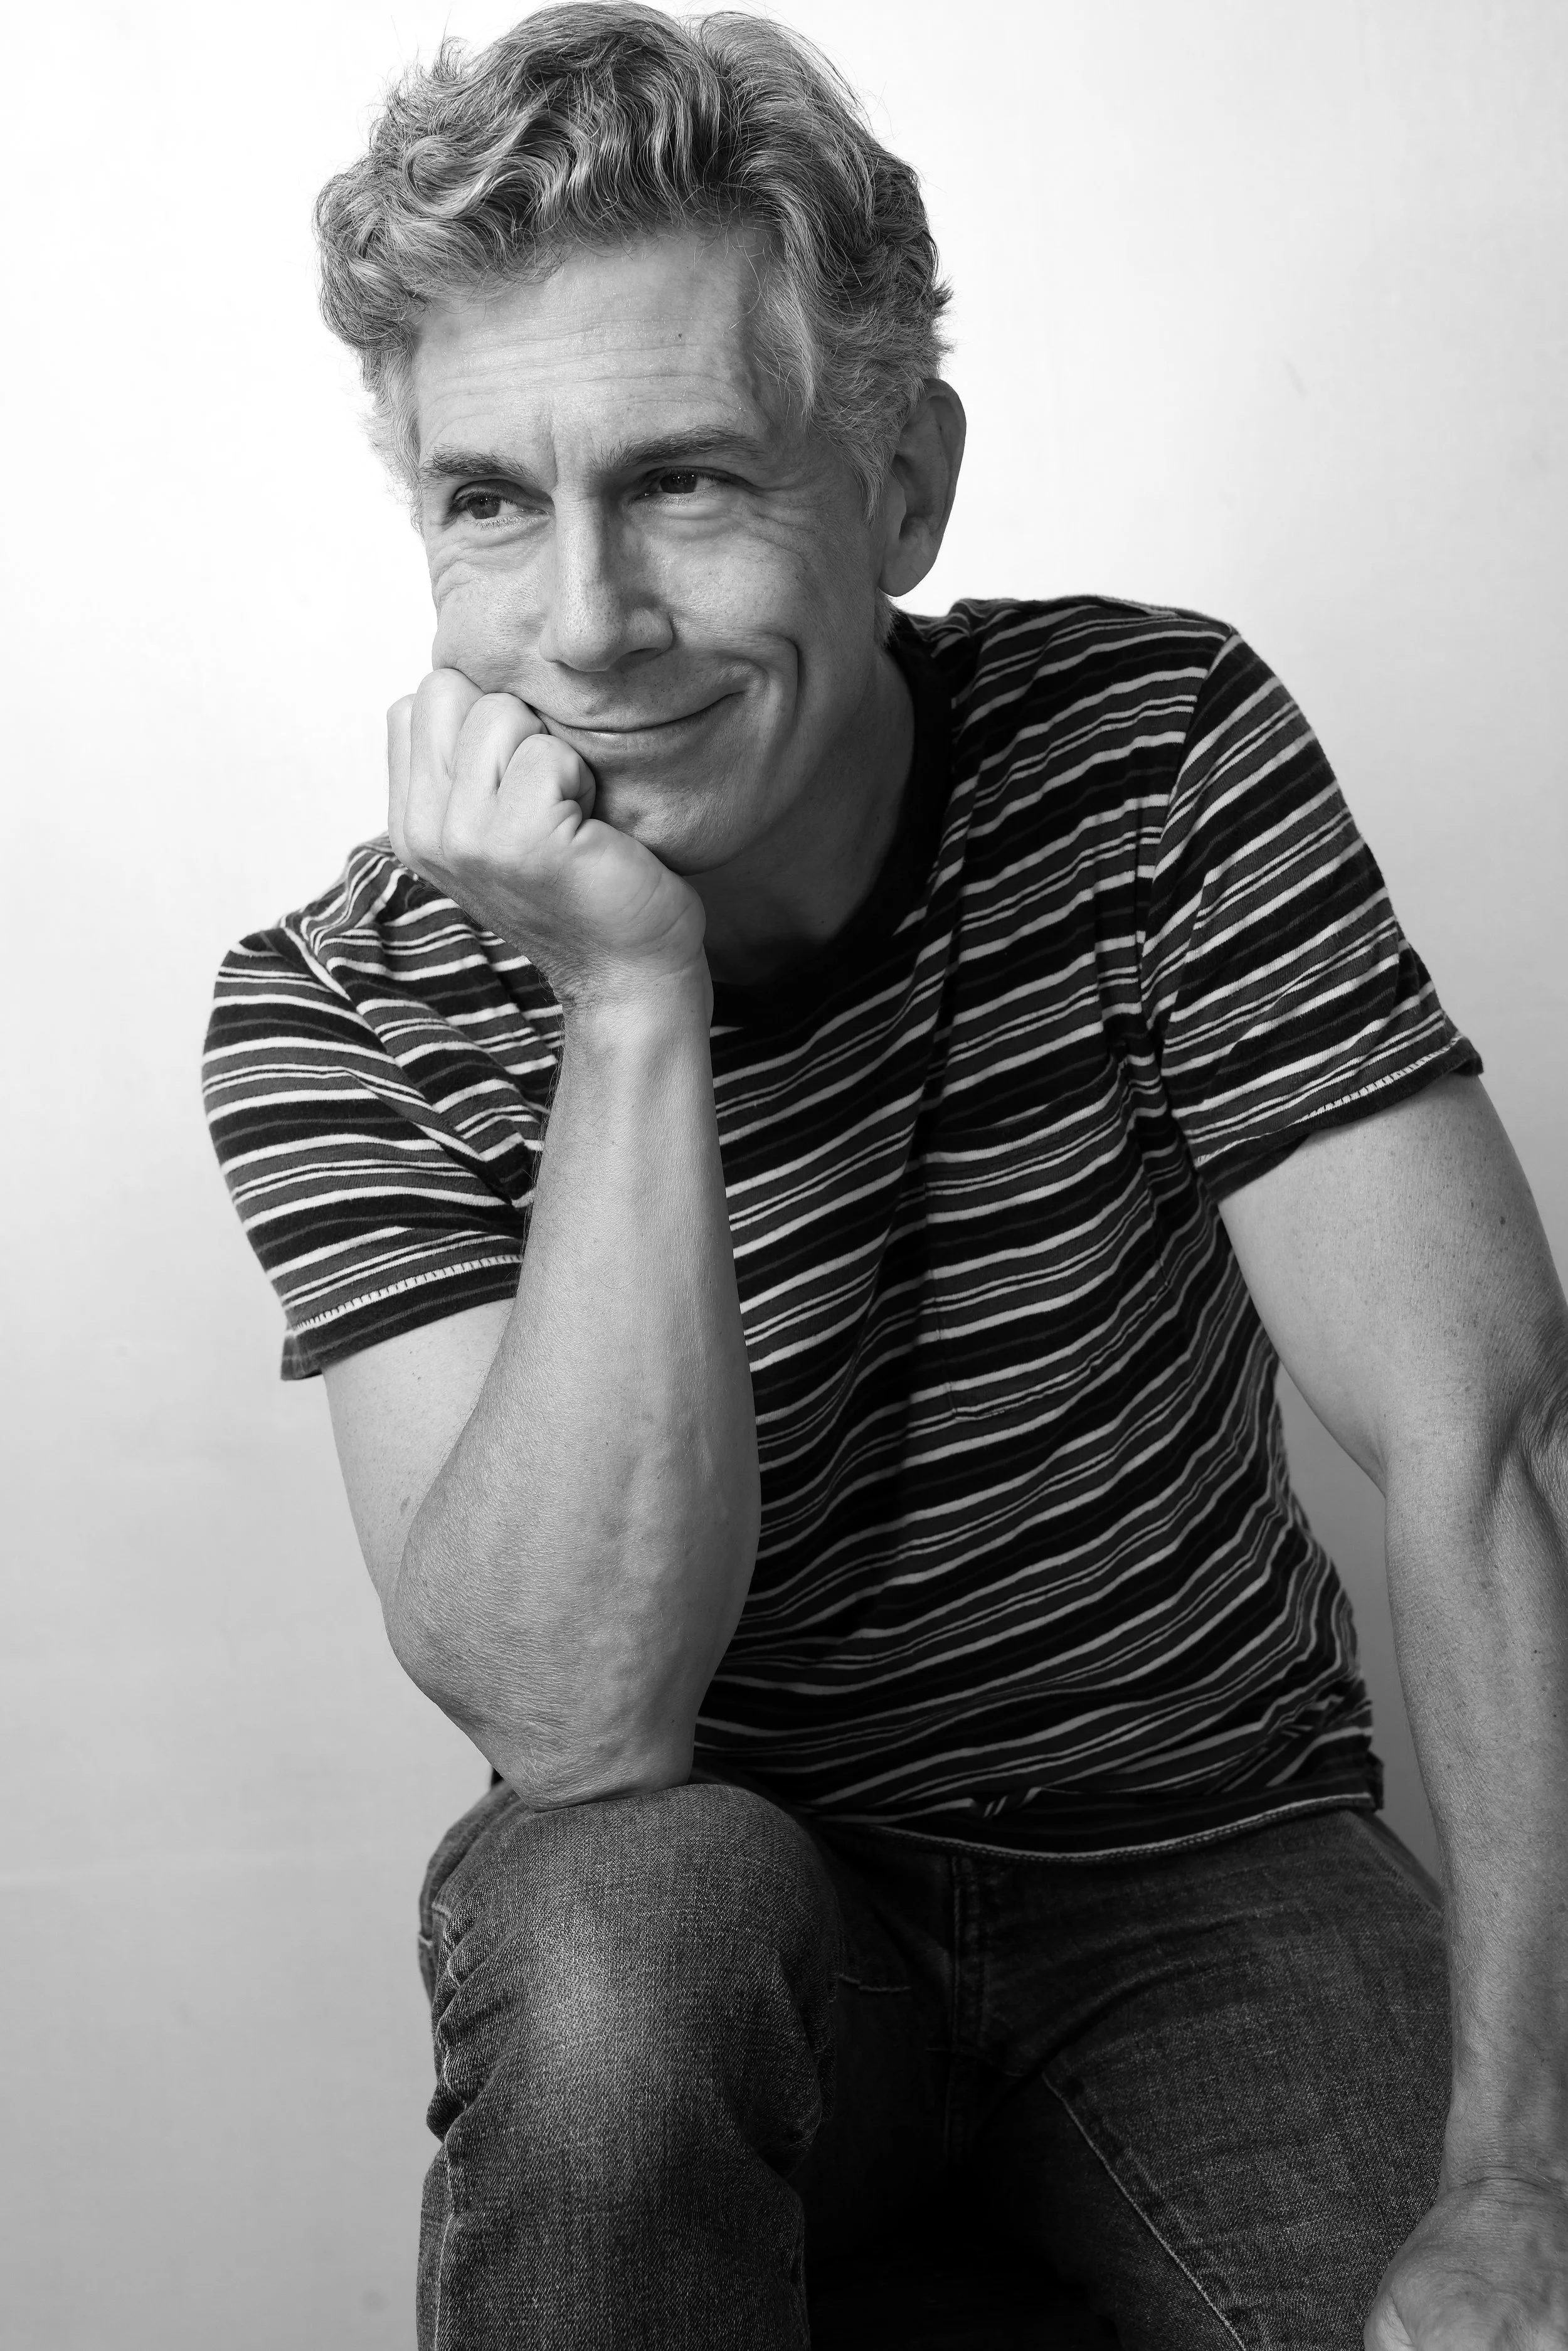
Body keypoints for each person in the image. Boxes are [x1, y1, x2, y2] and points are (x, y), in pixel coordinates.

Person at [202, 8, 1568, 2347]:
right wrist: (631, 1007)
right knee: (601, 1907)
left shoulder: (1152, 754)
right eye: (490, 501)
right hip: (743, 1923)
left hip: (1203, 1862)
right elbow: (572, 1728)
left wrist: (1517, 2177)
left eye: (692, 478)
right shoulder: (336, 1001)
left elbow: (1477, 1445)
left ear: (906, 482)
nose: (589, 621)